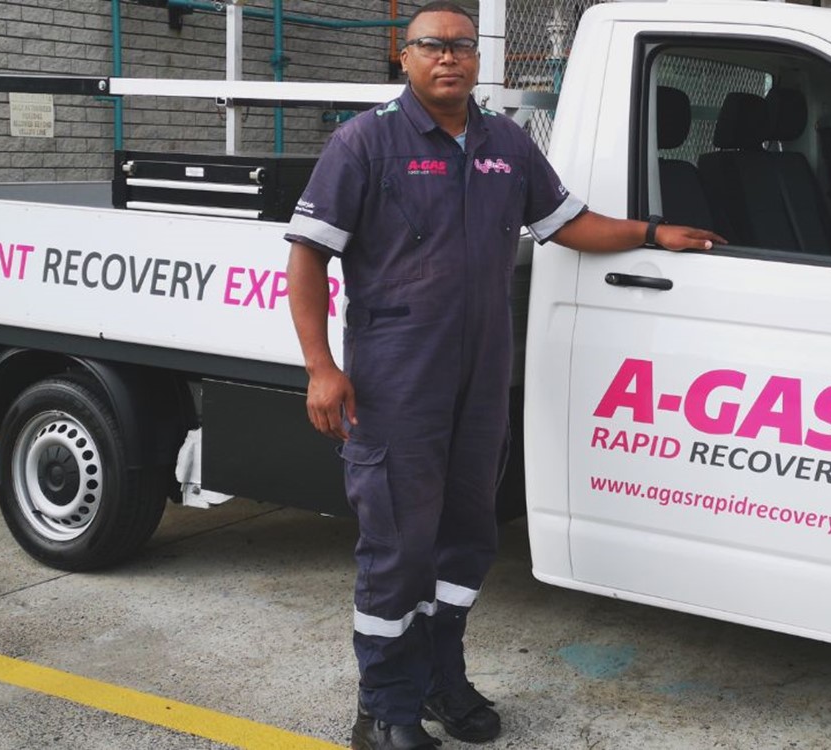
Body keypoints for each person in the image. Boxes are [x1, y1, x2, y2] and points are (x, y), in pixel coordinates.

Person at [285, 3, 724, 748]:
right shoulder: (365, 144)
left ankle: (440, 680)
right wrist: (322, 367)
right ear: (404, 57)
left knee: (465, 536)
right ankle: (385, 710)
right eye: (431, 46)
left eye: (460, 46)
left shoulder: (504, 144)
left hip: (481, 380)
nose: (448, 58)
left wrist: (652, 234)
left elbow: (566, 222)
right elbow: (308, 256)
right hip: (396, 382)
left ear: (476, 59)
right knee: (396, 546)